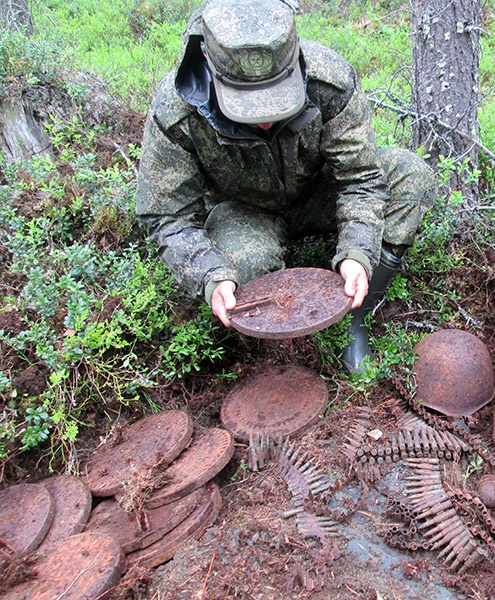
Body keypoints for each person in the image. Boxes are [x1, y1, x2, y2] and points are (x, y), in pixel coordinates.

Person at [136, 0, 435, 374]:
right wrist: (210, 275)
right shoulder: (177, 110)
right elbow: (166, 216)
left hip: (316, 192)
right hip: (244, 212)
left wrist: (358, 252)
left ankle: (356, 319)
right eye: (247, 107)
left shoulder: (329, 80)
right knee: (245, 264)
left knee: (410, 174)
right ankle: (276, 355)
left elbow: (360, 178)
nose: (265, 122)